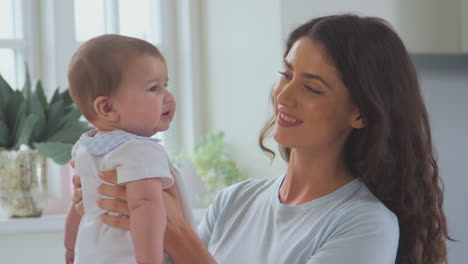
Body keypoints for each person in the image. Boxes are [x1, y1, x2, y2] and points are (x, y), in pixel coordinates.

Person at [72, 15, 453, 263]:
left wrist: (181, 238)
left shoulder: (365, 224)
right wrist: (106, 215)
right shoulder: (234, 202)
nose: (284, 97)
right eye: (286, 75)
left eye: (312, 88)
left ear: (361, 113)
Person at [65, 34, 194, 264]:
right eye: (154, 88)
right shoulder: (139, 150)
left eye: (166, 85)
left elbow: (78, 206)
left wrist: (70, 247)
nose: (168, 97)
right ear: (107, 107)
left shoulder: (85, 147)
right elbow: (147, 207)